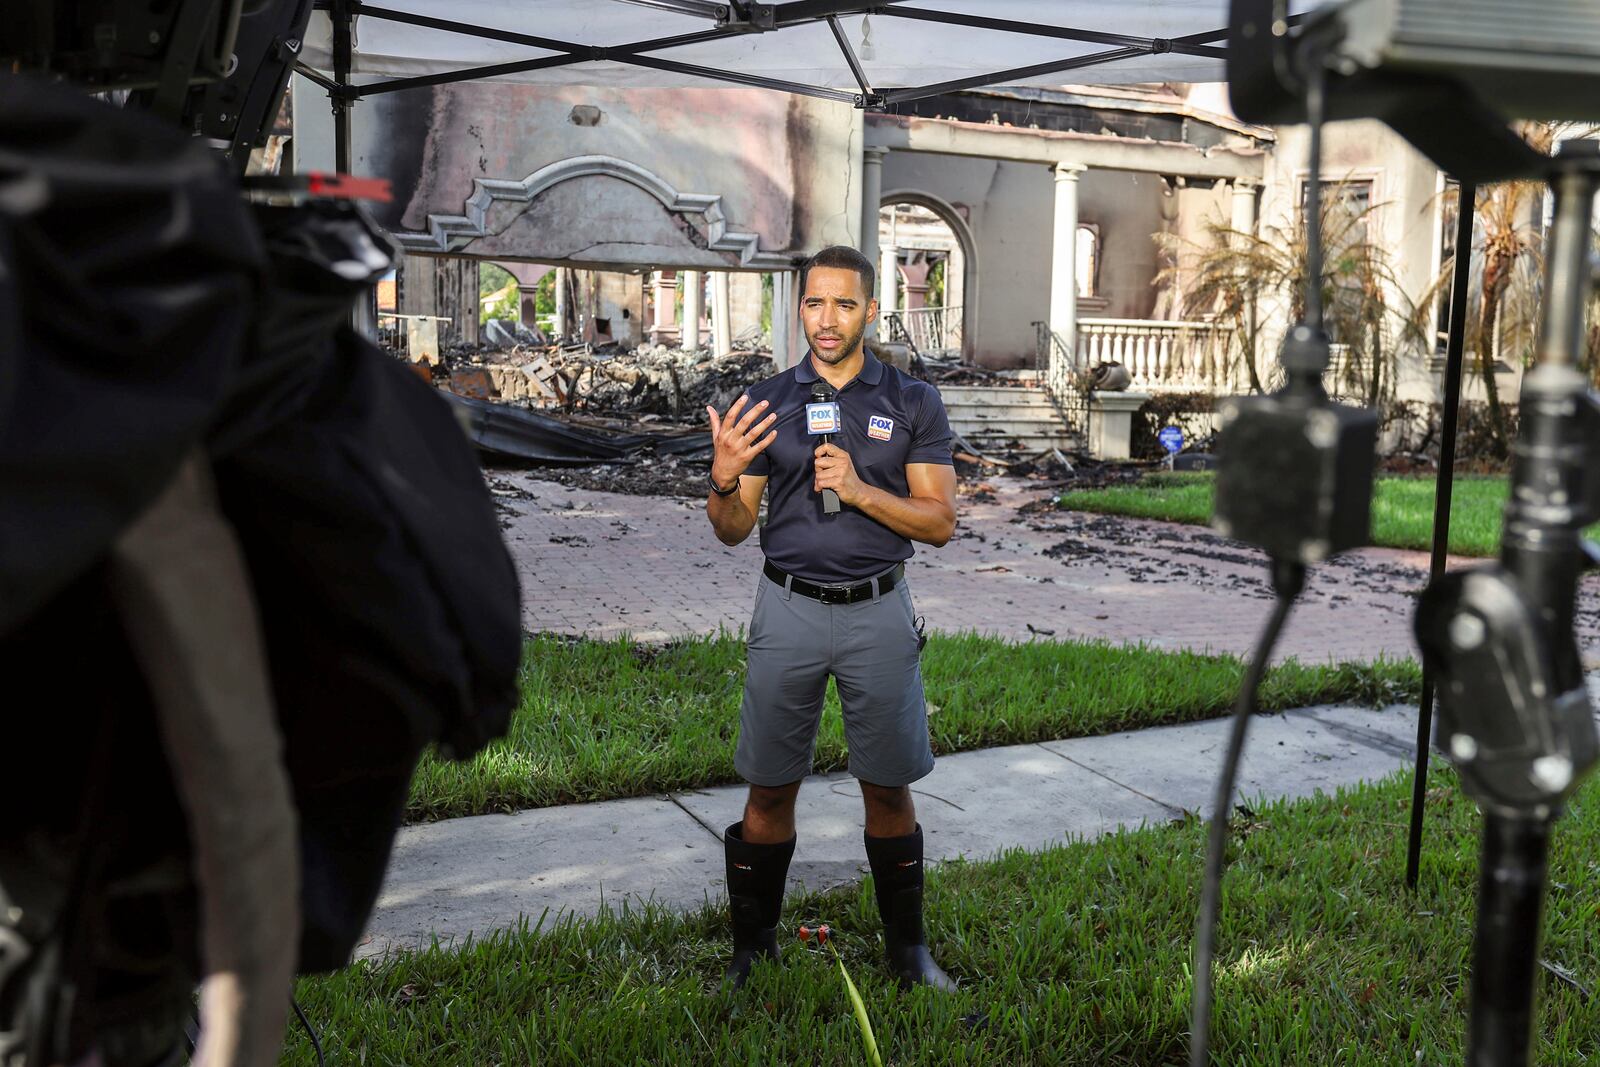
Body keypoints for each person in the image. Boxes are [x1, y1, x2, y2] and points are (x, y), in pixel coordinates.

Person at [704, 245, 959, 991]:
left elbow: (939, 521)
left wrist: (856, 489)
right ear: (800, 306)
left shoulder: (912, 400)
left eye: (844, 304)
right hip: (787, 608)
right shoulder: (767, 400)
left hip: (878, 610)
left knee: (886, 786)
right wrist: (722, 480)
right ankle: (753, 951)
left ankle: (908, 953)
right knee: (769, 787)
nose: (826, 319)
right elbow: (731, 528)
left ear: (870, 311)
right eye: (814, 303)